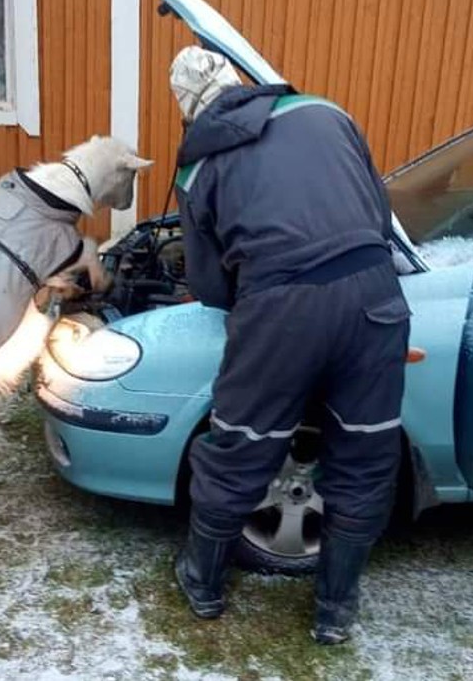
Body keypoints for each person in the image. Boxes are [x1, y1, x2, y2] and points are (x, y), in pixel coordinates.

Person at [169, 45, 410, 644]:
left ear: (189, 112)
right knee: (364, 451)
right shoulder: (326, 113)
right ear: (242, 82)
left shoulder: (198, 169)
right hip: (375, 301)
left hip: (280, 311)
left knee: (241, 445)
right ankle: (335, 611)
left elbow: (208, 285)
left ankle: (202, 583)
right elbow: (378, 217)